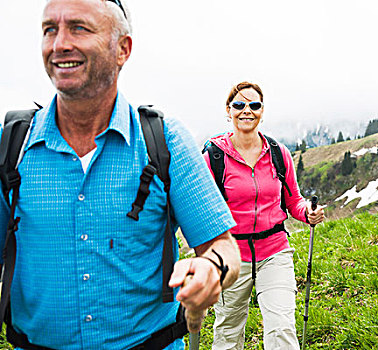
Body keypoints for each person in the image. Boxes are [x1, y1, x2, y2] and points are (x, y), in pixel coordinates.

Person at [0, 0, 240, 349]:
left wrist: (211, 270)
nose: (59, 44)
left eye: (79, 28)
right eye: (50, 29)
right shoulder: (12, 145)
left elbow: (223, 247)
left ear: (122, 49)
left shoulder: (164, 140)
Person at [203, 82, 325, 349]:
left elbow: (293, 200)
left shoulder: (279, 154)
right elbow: (203, 210)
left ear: (262, 111)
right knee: (227, 334)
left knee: (281, 327)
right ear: (228, 110)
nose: (247, 110)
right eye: (239, 105)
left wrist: (308, 213)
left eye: (254, 105)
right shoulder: (213, 157)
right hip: (232, 256)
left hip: (274, 252)